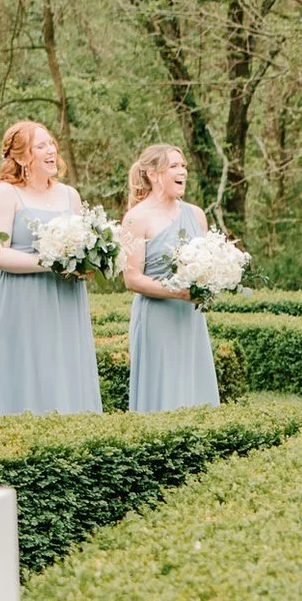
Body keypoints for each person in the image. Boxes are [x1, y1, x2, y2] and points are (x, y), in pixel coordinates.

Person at [0, 120, 103, 416]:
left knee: (67, 370)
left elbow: (82, 245)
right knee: (30, 372)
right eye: (41, 146)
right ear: (22, 157)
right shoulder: (5, 194)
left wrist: (87, 263)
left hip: (66, 299)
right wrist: (50, 261)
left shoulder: (69, 195)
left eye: (51, 143)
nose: (51, 150)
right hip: (23, 300)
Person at [120, 143, 220, 413]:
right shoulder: (135, 219)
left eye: (184, 166)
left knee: (194, 388)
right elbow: (132, 279)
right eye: (174, 166)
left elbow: (208, 264)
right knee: (163, 393)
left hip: (190, 317)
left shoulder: (196, 215)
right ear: (153, 174)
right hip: (157, 317)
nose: (183, 172)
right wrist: (177, 292)